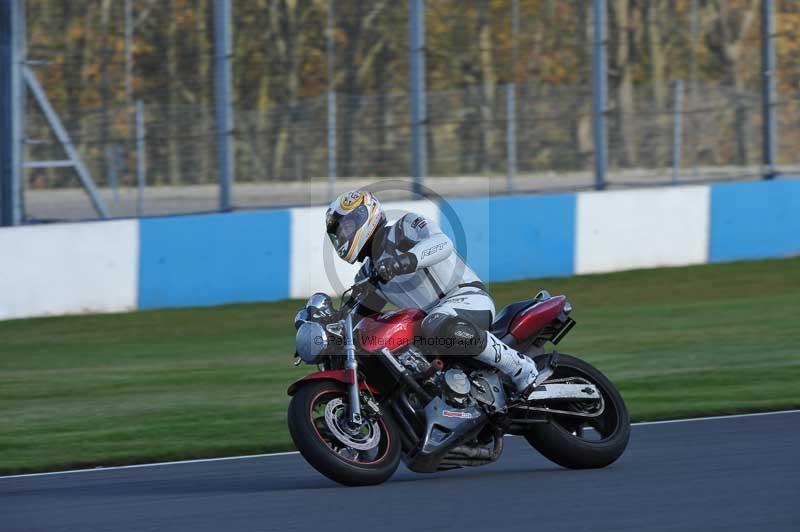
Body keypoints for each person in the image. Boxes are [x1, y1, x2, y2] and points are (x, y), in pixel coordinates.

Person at [325, 190, 539, 394]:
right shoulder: (369, 272)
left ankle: (519, 366)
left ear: (365, 215)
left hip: (467, 297)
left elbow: (442, 243)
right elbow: (354, 316)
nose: (343, 235)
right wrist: (325, 328)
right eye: (340, 233)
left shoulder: (404, 227)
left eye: (347, 227)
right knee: (392, 353)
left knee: (434, 322)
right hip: (431, 326)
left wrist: (404, 260)